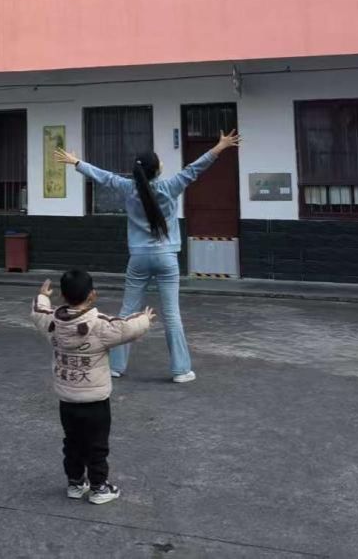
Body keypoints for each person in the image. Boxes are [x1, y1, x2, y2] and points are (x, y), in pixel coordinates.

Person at [54, 129, 240, 383]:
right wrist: (220, 146)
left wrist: (77, 162)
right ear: (157, 169)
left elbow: (104, 177)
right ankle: (181, 370)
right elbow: (195, 168)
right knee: (172, 315)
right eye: (160, 161)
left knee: (127, 311)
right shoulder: (171, 186)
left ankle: (116, 367)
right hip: (167, 257)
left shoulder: (128, 188)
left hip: (139, 257)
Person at [32, 269, 153, 505]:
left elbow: (38, 312)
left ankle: (75, 483)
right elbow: (126, 328)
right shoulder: (99, 326)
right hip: (95, 402)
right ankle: (99, 488)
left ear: (63, 296)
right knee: (97, 446)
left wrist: (43, 296)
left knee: (72, 442)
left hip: (67, 400)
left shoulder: (52, 323)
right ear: (92, 295)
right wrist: (145, 319)